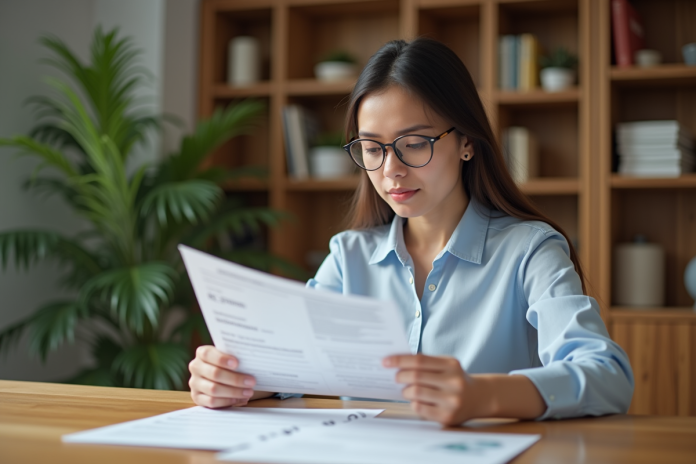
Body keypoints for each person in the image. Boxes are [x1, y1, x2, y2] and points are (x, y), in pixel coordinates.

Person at [188, 38, 634, 425]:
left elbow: (607, 375)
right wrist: (235, 379)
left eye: (415, 143)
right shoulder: (348, 258)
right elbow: (292, 368)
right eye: (372, 148)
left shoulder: (530, 250)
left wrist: (485, 396)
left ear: (466, 143)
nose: (391, 170)